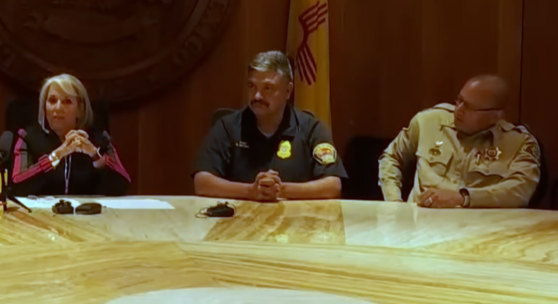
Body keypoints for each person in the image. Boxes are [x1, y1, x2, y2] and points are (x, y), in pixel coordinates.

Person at [193, 51, 346, 201]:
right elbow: (202, 182)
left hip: (294, 221)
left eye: (267, 88)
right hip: (240, 220)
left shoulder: (311, 129)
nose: (257, 96)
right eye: (252, 86)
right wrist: (251, 191)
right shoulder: (227, 127)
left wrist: (280, 189)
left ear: (288, 91)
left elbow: (332, 186)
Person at [379, 75, 540, 208]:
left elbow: (520, 190)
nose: (459, 110)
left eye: (469, 107)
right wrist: (395, 204)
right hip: (420, 226)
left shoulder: (519, 144)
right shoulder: (428, 122)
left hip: (481, 231)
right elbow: (391, 159)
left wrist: (463, 198)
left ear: (495, 115)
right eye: (459, 100)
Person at [9, 74, 130, 197]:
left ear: (80, 110)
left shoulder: (99, 138)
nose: (58, 107)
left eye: (67, 101)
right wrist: (56, 156)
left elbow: (122, 186)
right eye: (52, 100)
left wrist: (95, 156)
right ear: (44, 108)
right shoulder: (27, 137)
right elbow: (18, 185)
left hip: (88, 214)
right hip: (41, 215)